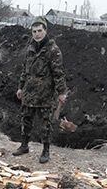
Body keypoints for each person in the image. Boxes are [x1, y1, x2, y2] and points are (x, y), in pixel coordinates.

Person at [13, 16, 68, 163]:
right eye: (34, 31)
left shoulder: (53, 50)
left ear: (45, 31)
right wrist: (20, 87)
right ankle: (24, 146)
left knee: (45, 124)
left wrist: (62, 92)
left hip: (45, 93)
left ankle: (46, 151)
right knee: (26, 120)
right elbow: (25, 70)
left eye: (39, 31)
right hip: (29, 92)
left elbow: (58, 73)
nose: (37, 34)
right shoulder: (30, 48)